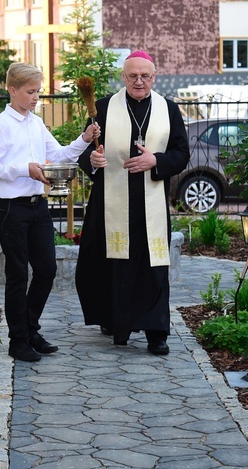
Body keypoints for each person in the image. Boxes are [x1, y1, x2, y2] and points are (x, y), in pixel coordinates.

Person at [0, 62, 100, 362]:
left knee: (47, 269)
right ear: (12, 90)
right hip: (9, 208)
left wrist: (83, 141)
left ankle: (30, 329)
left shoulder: (35, 123)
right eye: (30, 92)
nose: (35, 98)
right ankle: (18, 341)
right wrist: (25, 169)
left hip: (37, 207)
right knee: (18, 274)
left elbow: (57, 155)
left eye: (38, 92)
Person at [75, 50, 190, 355]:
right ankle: (114, 322)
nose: (139, 81)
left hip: (150, 203)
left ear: (154, 76)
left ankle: (156, 333)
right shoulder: (102, 108)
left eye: (145, 76)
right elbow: (85, 151)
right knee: (112, 261)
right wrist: (94, 160)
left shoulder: (170, 110)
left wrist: (156, 160)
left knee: (153, 265)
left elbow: (182, 153)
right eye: (132, 76)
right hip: (110, 202)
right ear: (123, 77)